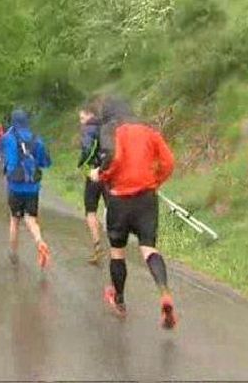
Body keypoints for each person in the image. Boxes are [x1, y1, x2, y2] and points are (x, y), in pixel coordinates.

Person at [89, 95, 177, 329]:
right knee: (149, 248)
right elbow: (168, 162)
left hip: (119, 200)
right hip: (146, 199)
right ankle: (164, 291)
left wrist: (101, 175)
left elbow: (113, 161)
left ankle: (119, 300)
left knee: (118, 252)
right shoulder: (149, 132)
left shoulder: (115, 132)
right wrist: (155, 182)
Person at [2, 109, 52, 268]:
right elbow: (45, 163)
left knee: (15, 220)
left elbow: (8, 161)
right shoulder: (37, 139)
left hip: (15, 187)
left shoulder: (9, 138)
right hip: (32, 187)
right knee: (31, 219)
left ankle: (13, 253)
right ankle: (39, 241)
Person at [77, 98, 108, 265]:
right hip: (109, 171)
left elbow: (88, 150)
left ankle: (97, 245)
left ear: (90, 115)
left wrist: (82, 163)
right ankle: (114, 242)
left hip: (95, 173)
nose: (81, 122)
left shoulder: (89, 129)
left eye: (82, 118)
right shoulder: (108, 127)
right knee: (110, 207)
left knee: (90, 211)